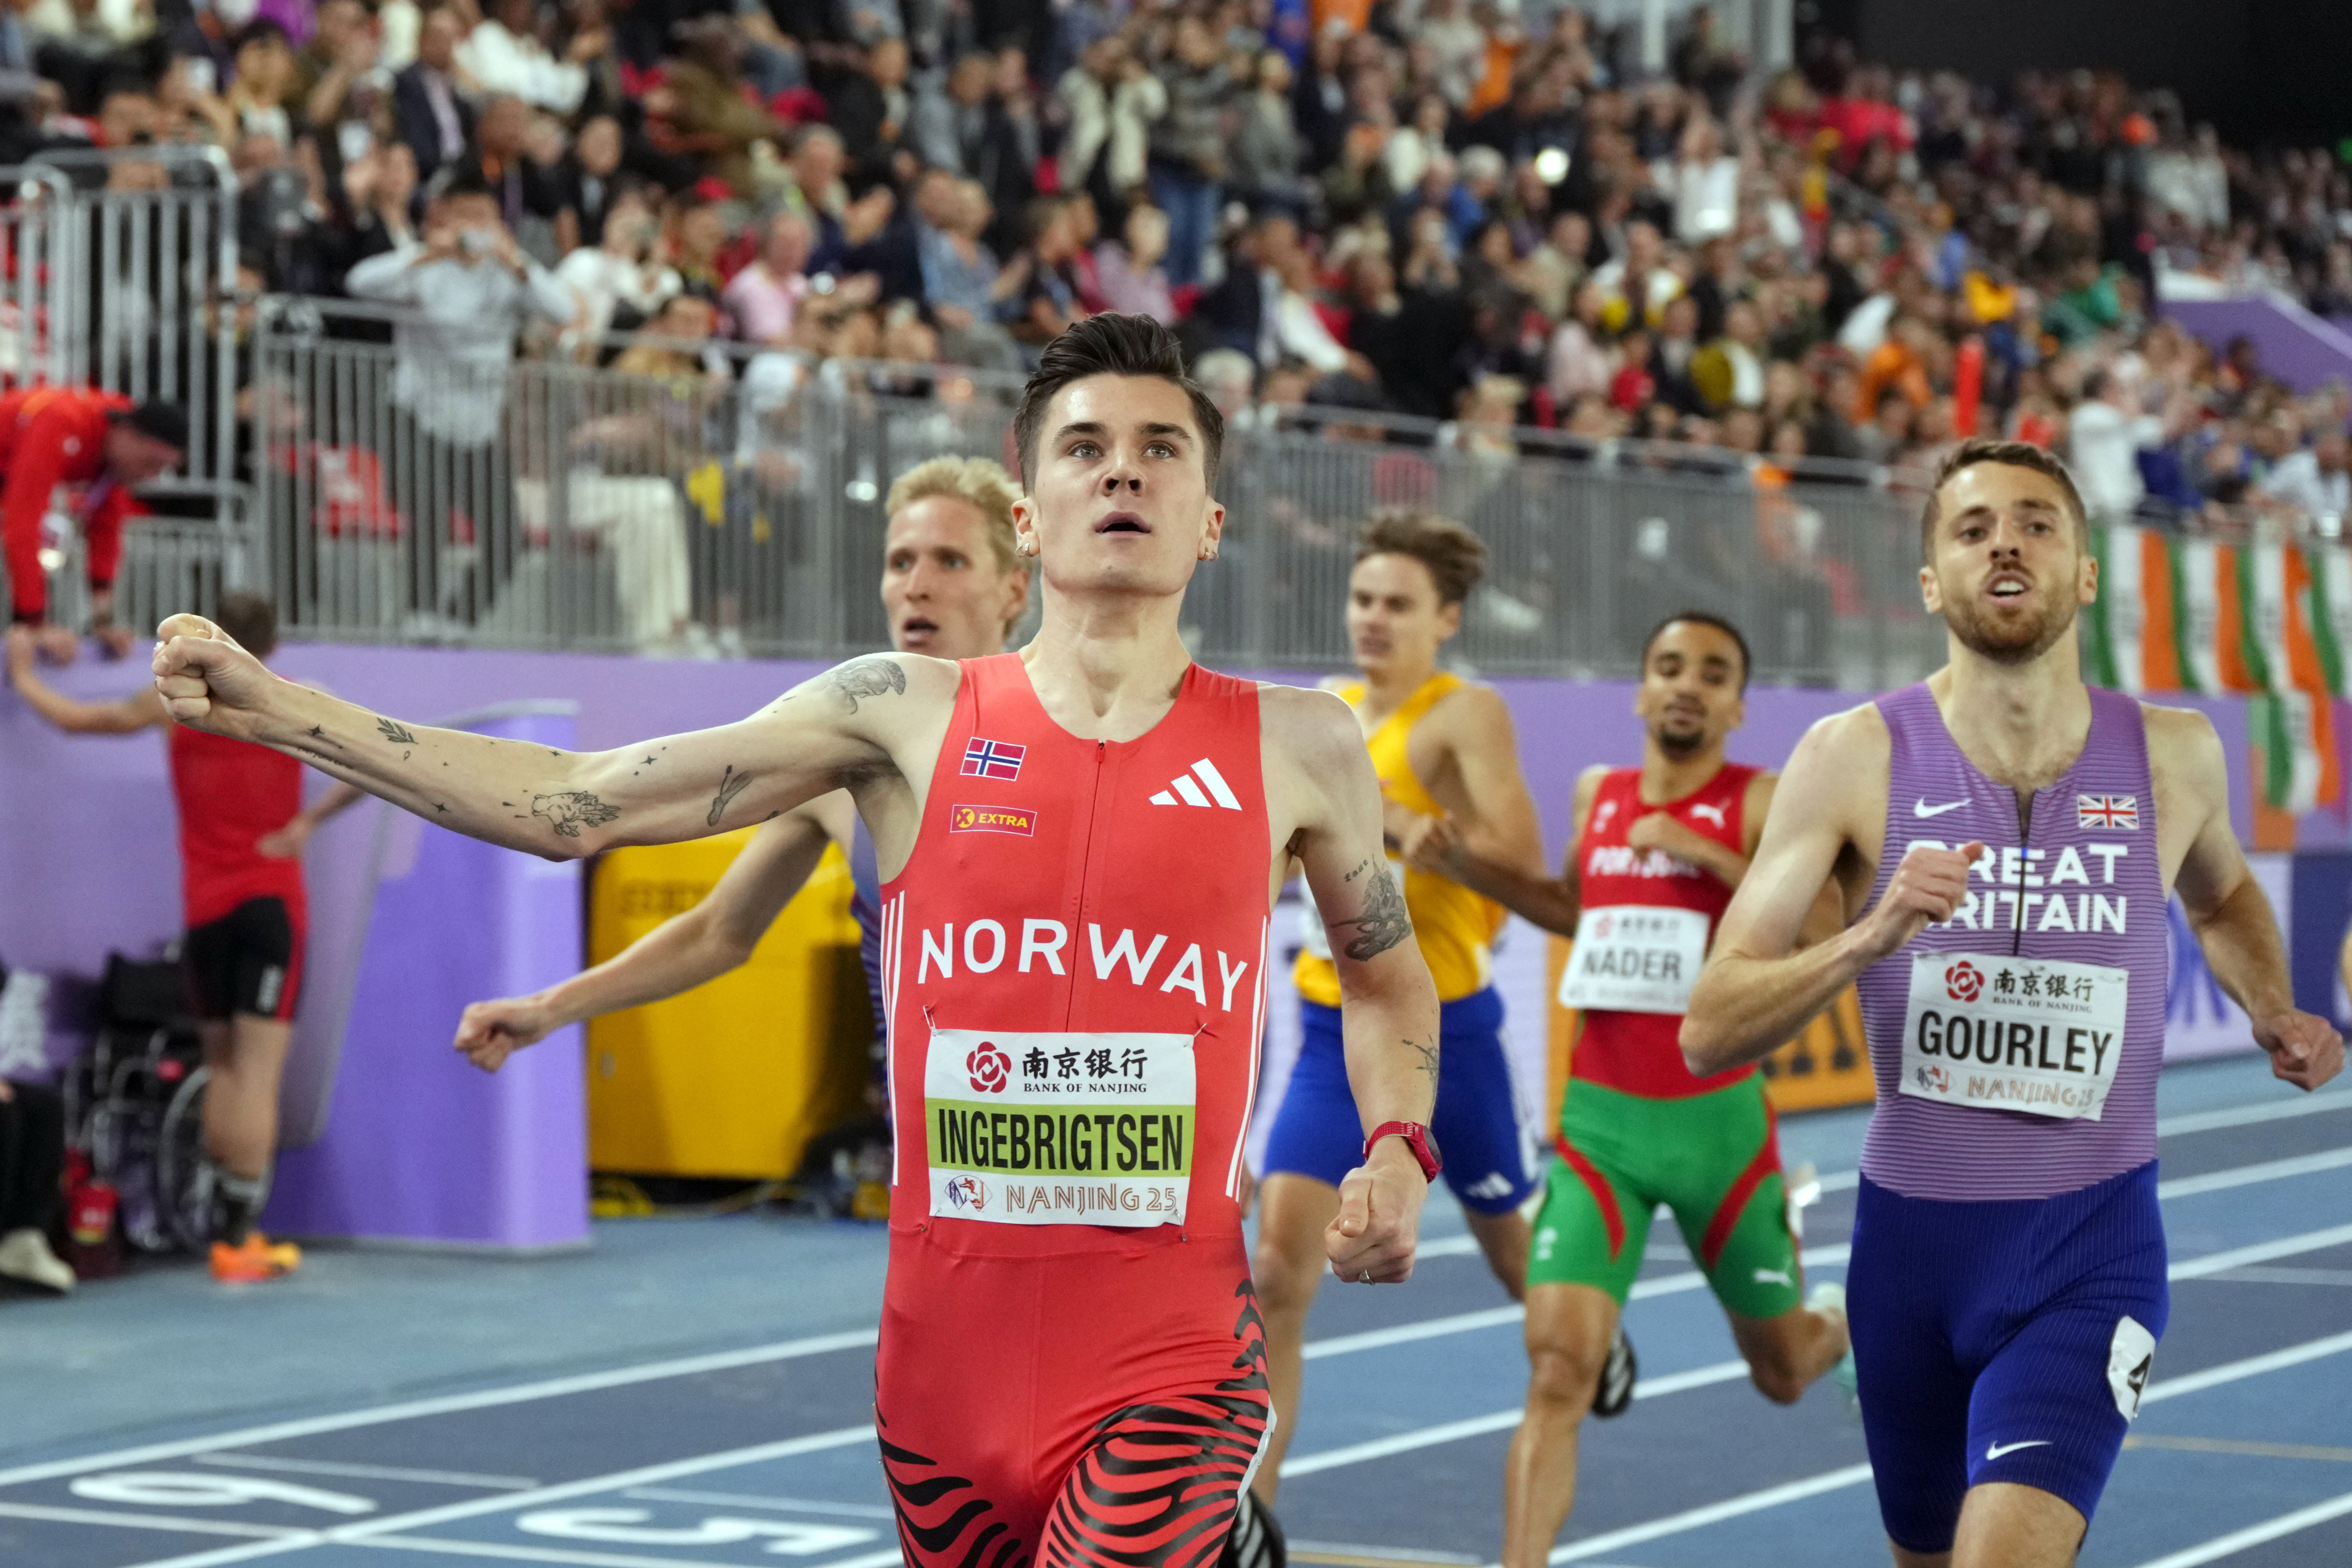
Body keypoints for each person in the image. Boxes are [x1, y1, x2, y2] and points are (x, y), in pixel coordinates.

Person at [151, 314, 1442, 1566]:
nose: (1123, 466)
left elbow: (1385, 978)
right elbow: (575, 798)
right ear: (1030, 512)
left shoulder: (1295, 742)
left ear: (1210, 520)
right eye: (1086, 444)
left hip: (1169, 1354)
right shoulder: (895, 717)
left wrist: (1393, 1143)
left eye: (1162, 449)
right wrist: (289, 709)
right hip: (939, 1372)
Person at [1682, 438, 2344, 1568]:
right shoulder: (1851, 757)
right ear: (1932, 580)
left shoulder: (2173, 755)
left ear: (2085, 572)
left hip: (2093, 1246)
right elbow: (1709, 1026)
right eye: (1973, 525)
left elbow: (2224, 891)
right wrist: (1871, 931)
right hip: (1906, 1260)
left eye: (2038, 522)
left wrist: (2271, 1002)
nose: (2007, 541)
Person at [1398, 611, 1852, 1568]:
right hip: (1600, 1126)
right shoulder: (1598, 795)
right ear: (1641, 691)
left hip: (1719, 1134)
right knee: (1559, 1367)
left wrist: (1710, 860)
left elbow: (1823, 934)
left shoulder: (1762, 801)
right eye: (1669, 667)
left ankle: (1843, 1321)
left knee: (1782, 1373)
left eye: (1713, 673)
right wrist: (1466, 864)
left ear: (1736, 704)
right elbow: (1572, 909)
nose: (1688, 684)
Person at [453, 456, 1033, 1137]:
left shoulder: (1070, 738)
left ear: (1014, 592)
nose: (917, 587)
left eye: (951, 562)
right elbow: (719, 931)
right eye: (900, 561)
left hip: (1082, 1135)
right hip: (937, 1157)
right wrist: (550, 1007)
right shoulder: (837, 760)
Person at [1251, 509, 1547, 1500]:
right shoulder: (1327, 712)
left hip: (1450, 1032)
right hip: (1331, 1026)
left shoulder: (1464, 714)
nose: (1373, 619)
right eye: (1363, 599)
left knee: (1520, 1268)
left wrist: (1432, 830)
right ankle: (1252, 1511)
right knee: (1276, 1276)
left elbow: (1524, 870)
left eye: (1399, 605)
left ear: (1446, 618)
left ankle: (1578, 1352)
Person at [7, 595, 362, 1283]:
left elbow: (87, 720)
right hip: (268, 904)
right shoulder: (293, 701)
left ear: (211, 633)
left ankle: (223, 1230)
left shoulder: (172, 704)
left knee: (224, 1067)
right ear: (273, 643)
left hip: (205, 914)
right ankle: (238, 1231)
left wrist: (24, 679)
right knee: (257, 1074)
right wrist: (308, 824)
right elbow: (368, 760)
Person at [344, 165, 576, 629]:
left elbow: (565, 310)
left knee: (508, 537)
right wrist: (427, 253)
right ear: (444, 219)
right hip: (419, 412)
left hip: (481, 423)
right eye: (464, 216)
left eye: (484, 217)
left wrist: (517, 262)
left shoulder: (513, 271)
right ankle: (420, 615)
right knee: (426, 514)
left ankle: (460, 618)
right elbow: (359, 283)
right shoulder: (423, 265)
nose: (475, 227)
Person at [1, 392, 187, 664]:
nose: (150, 477)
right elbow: (22, 524)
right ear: (127, 433)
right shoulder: (63, 421)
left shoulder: (113, 447)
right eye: (151, 464)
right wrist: (35, 623)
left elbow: (106, 531)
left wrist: (104, 621)